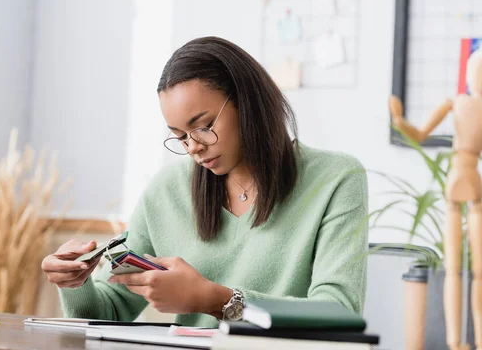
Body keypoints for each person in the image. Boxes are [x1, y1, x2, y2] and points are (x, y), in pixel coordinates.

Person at [41, 36, 368, 328]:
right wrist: (76, 282)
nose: (194, 147)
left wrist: (216, 300)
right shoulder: (166, 191)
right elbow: (107, 315)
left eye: (204, 125)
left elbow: (339, 313)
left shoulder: (336, 179)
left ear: (247, 102)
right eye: (180, 137)